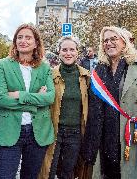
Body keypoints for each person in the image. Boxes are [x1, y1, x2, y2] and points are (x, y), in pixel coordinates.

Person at [82, 26, 137, 179]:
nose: (109, 43)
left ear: (124, 42)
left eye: (113, 39)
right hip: (105, 136)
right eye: (105, 40)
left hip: (132, 134)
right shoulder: (99, 70)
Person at [0, 23, 55, 179]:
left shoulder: (44, 67)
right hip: (10, 131)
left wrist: (21, 94)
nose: (23, 41)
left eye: (28, 37)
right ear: (15, 42)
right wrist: (35, 103)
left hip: (37, 132)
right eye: (19, 37)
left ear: (36, 43)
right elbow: (2, 100)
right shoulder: (4, 65)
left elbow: (49, 98)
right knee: (3, 176)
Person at [38, 36, 91, 179]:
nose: (68, 53)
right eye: (65, 50)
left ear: (77, 52)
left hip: (75, 133)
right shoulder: (49, 74)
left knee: (68, 172)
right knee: (48, 170)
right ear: (59, 52)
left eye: (72, 50)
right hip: (54, 131)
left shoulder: (86, 76)